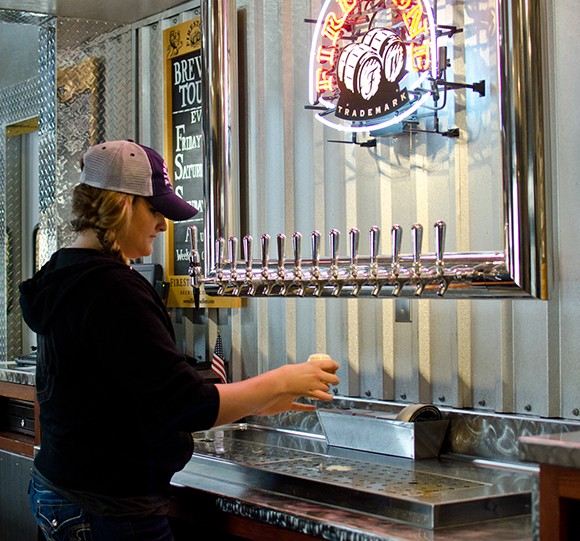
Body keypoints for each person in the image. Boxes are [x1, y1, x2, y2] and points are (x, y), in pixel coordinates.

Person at [20, 140, 339, 541]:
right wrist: (280, 381)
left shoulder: (62, 275)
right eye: (156, 210)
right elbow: (182, 405)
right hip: (110, 510)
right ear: (123, 205)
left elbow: (130, 390)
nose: (163, 225)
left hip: (61, 491)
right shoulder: (112, 290)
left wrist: (258, 400)